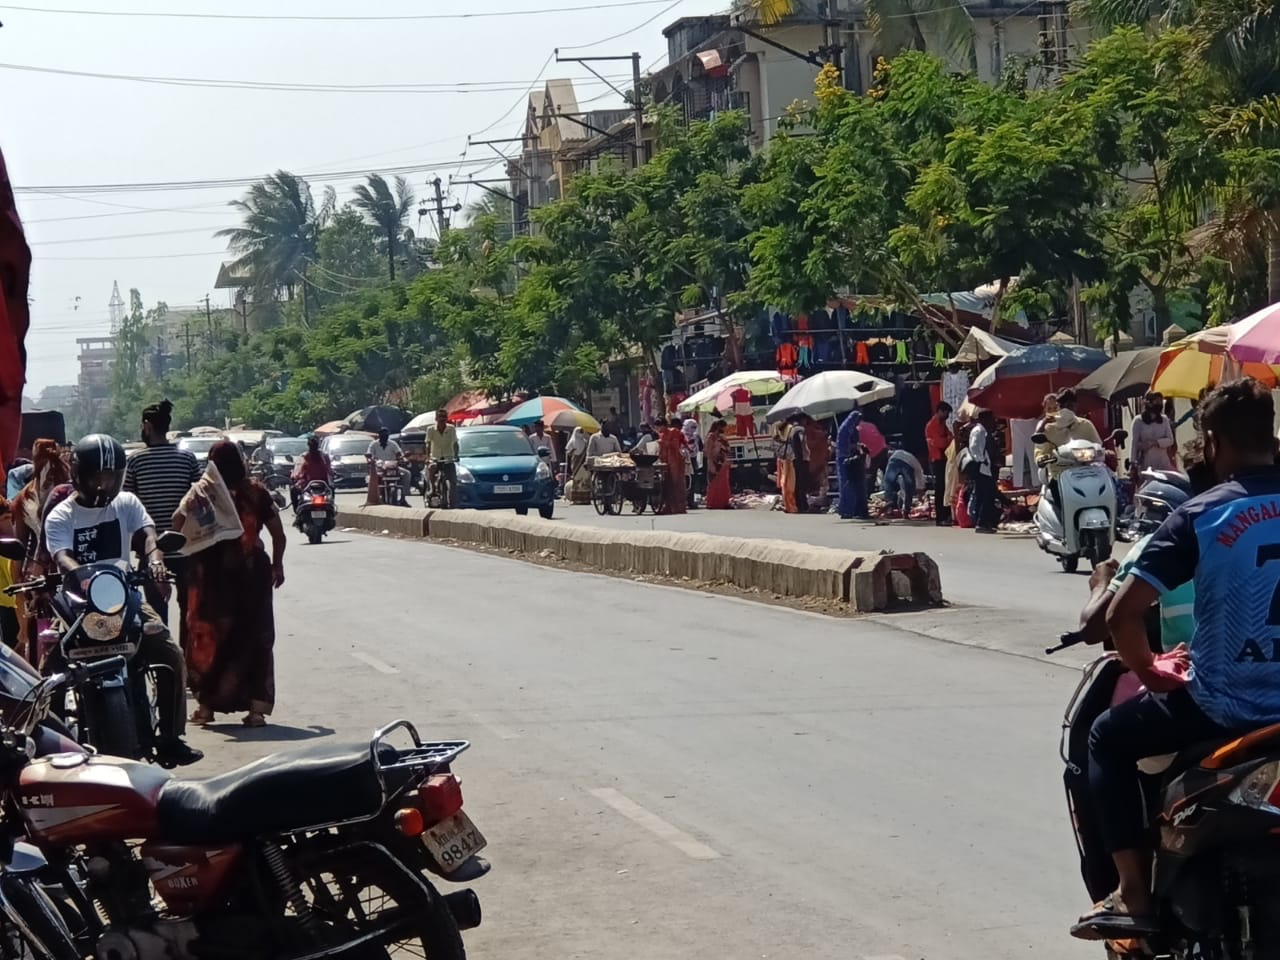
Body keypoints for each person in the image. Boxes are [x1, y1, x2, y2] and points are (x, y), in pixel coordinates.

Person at [1076, 379, 1280, 941]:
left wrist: (1151, 670)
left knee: (1105, 739)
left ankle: (1135, 897)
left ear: (1211, 445)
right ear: (1273, 438)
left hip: (1225, 708)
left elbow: (1120, 617)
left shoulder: (1203, 514)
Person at [44, 434, 202, 767]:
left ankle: (171, 738)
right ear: (78, 474)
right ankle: (51, 746)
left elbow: (148, 535)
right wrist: (81, 577)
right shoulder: (61, 515)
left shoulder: (127, 503)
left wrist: (155, 558)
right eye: (96, 476)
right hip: (79, 604)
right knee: (51, 673)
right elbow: (61, 555)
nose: (104, 484)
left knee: (170, 654)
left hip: (123, 599)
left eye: (111, 477)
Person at [178, 441, 285, 730]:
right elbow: (278, 533)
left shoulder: (202, 492)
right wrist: (277, 565)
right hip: (252, 576)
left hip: (211, 579)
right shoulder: (256, 491)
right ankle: (256, 711)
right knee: (255, 638)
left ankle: (205, 707)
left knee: (207, 640)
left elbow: (176, 524)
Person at [124, 400, 202, 629]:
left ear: (147, 426)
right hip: (187, 547)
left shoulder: (136, 461)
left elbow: (128, 504)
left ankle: (167, 661)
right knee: (190, 613)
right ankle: (189, 660)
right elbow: (197, 499)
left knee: (157, 619)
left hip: (151, 549)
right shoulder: (187, 459)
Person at [968, 410, 1000, 533]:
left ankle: (982, 522)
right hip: (981, 467)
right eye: (991, 419)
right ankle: (981, 522)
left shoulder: (984, 431)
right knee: (987, 494)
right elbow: (974, 447)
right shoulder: (979, 431)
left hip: (984, 466)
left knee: (982, 494)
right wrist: (982, 460)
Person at [1130, 391, 1176, 476]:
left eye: (1160, 402)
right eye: (1156, 401)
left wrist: (1155, 442)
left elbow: (1170, 440)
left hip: (1163, 461)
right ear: (1149, 403)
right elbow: (1134, 444)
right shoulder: (1138, 421)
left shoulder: (1164, 419)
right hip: (1147, 462)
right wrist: (1133, 464)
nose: (1159, 404)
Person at [835, 409, 869, 520]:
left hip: (853, 459)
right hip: (844, 459)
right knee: (846, 484)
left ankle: (855, 509)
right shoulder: (844, 430)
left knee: (856, 484)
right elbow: (844, 446)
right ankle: (846, 509)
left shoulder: (853, 429)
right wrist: (856, 447)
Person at [925, 402, 954, 525]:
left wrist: (948, 439)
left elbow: (951, 437)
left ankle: (946, 515)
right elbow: (941, 443)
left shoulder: (943, 425)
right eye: (946, 412)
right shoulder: (932, 425)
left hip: (945, 459)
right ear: (940, 411)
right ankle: (940, 517)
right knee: (940, 489)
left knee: (946, 487)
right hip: (937, 460)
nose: (947, 415)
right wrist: (948, 440)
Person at [425, 410, 460, 508]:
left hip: (448, 458)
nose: (442, 419)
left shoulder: (451, 429)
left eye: (444, 416)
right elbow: (428, 444)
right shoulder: (430, 429)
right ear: (436, 418)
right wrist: (428, 457)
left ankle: (453, 502)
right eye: (440, 416)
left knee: (453, 481)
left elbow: (455, 443)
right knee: (432, 467)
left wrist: (456, 456)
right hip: (435, 458)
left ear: (447, 418)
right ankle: (432, 488)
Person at [367, 428, 409, 504]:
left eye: (386, 435)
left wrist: (403, 459)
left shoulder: (393, 444)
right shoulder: (373, 444)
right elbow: (369, 454)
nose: (384, 436)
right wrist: (370, 460)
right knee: (370, 477)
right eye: (382, 435)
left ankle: (404, 496)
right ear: (379, 435)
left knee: (407, 473)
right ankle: (374, 496)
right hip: (379, 468)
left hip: (392, 467)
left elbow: (399, 454)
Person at [657, 418, 688, 516]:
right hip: (666, 462)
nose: (658, 429)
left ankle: (679, 507)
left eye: (659, 426)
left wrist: (664, 443)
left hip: (676, 461)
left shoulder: (674, 432)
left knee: (677, 484)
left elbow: (676, 445)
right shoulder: (661, 435)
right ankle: (668, 507)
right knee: (667, 485)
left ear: (664, 425)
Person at [883, 447, 926, 516]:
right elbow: (920, 477)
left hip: (894, 460)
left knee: (889, 482)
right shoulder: (916, 463)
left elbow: (888, 453)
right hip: (907, 465)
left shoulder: (897, 452)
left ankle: (889, 502)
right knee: (908, 488)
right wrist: (920, 491)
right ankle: (906, 509)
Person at [704, 419, 732, 510]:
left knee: (723, 483)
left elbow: (727, 448)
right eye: (723, 427)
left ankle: (724, 502)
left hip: (722, 462)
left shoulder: (721, 437)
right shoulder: (711, 437)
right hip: (714, 462)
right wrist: (711, 462)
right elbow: (707, 451)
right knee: (714, 483)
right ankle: (713, 502)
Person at [804, 415, 830, 504]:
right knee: (820, 482)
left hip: (811, 460)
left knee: (812, 483)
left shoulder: (807, 432)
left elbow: (809, 445)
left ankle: (812, 499)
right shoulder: (820, 432)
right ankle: (820, 498)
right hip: (820, 460)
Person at [787, 415, 810, 513]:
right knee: (802, 483)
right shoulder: (800, 430)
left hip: (794, 459)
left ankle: (798, 504)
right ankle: (803, 505)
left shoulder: (791, 430)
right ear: (802, 420)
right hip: (802, 459)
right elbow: (802, 443)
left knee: (797, 483)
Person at [858, 416, 889, 488]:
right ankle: (892, 490)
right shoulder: (870, 424)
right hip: (882, 448)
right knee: (887, 472)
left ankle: (869, 494)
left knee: (870, 478)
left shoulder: (855, 429)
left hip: (873, 453)